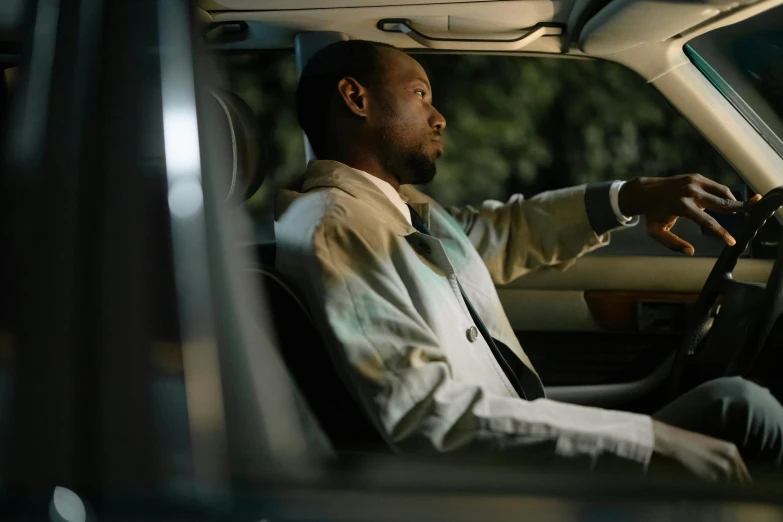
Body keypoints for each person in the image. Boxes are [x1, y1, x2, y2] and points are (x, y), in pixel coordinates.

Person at [274, 39, 783, 481]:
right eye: (420, 93)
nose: (439, 116)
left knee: (736, 404)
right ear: (355, 98)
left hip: (513, 430)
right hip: (491, 481)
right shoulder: (337, 226)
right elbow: (426, 414)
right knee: (747, 415)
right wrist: (650, 444)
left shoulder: (392, 211)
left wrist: (631, 196)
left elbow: (501, 234)